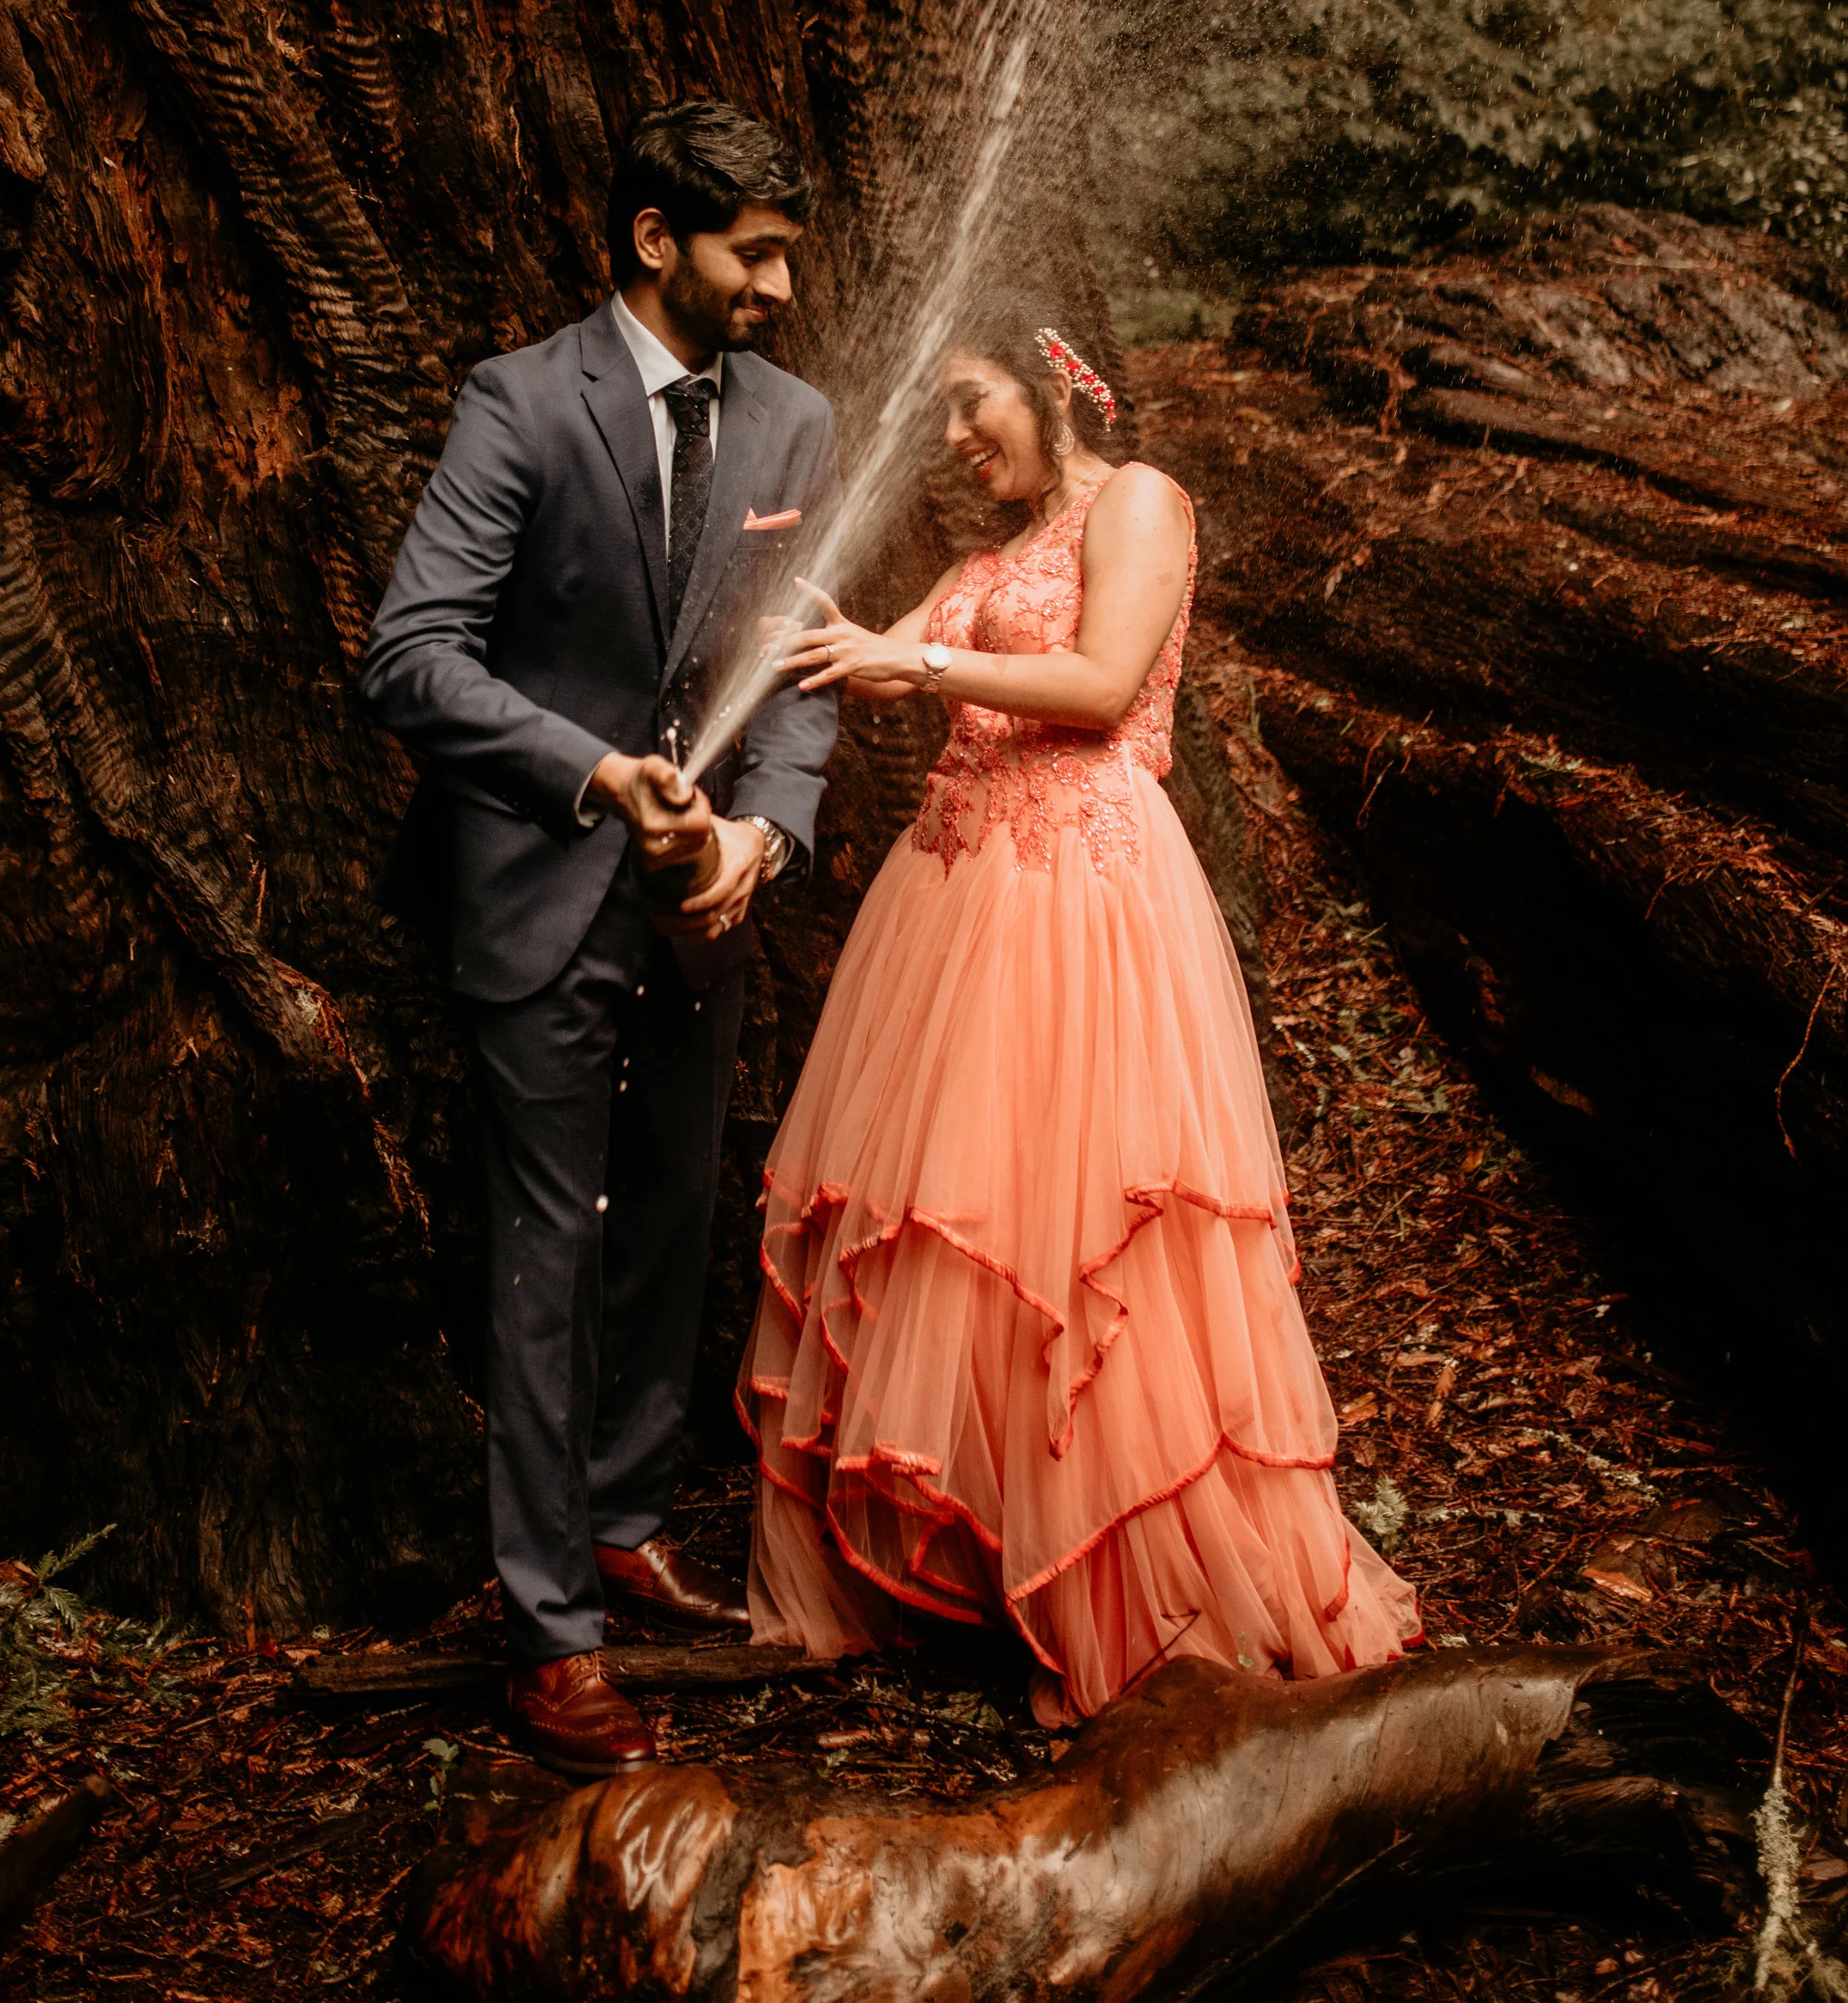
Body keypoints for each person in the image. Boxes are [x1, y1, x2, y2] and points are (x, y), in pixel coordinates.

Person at [738, 301, 1418, 1722]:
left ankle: (1129, 1584)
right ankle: (987, 1559)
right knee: (961, 1233)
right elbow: (873, 646)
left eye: (970, 398)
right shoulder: (988, 559)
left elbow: (1103, 686)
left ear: (1055, 382)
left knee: (1086, 1237)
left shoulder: (1143, 504)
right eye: (938, 414)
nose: (952, 435)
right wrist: (791, 626)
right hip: (953, 902)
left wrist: (913, 662)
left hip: (1082, 905)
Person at [361, 99, 842, 1775]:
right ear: (655, 239)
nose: (780, 284)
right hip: (539, 896)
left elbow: (791, 667)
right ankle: (547, 1631)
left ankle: (627, 1526)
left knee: (674, 1227)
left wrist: (765, 832)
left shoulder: (795, 426)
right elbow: (409, 659)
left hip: (701, 911)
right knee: (545, 1251)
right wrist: (592, 777)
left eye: (785, 250)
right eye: (752, 251)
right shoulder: (516, 403)